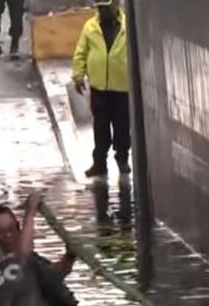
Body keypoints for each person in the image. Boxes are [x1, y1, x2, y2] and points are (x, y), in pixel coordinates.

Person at [72, 0, 131, 178]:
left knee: (122, 127)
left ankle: (122, 159)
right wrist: (78, 75)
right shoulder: (90, 27)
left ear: (116, 5)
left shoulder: (127, 26)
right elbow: (81, 52)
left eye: (107, 7)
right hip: (99, 88)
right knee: (100, 129)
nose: (104, 11)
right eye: (101, 7)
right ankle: (99, 163)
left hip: (122, 88)